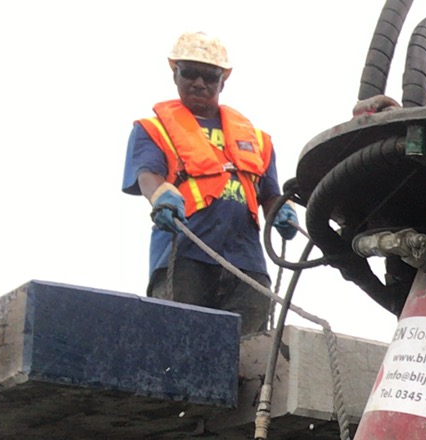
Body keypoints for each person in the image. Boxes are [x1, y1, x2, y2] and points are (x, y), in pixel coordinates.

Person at [123, 32, 297, 335]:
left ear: (222, 81)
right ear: (175, 74)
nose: (199, 83)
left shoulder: (258, 141)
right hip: (185, 255)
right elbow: (147, 174)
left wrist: (282, 211)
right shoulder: (154, 129)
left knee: (249, 352)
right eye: (190, 73)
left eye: (210, 76)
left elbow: (269, 193)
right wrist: (160, 195)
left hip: (246, 263)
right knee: (180, 345)